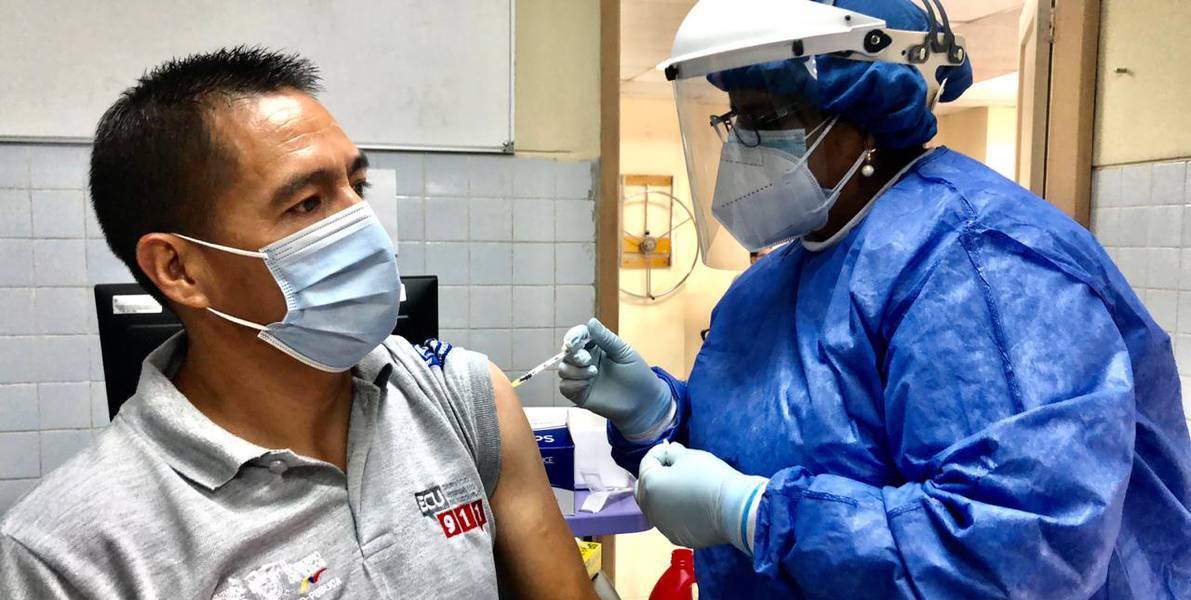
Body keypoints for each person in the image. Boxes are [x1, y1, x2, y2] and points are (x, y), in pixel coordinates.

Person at [559, 0, 1191, 597]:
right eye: (736, 121)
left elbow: (1021, 553)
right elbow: (758, 451)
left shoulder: (980, 262)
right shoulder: (777, 277)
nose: (744, 147)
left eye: (768, 120)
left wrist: (755, 515)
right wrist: (657, 419)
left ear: (866, 116)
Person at [0, 47, 595, 599]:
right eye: (307, 204)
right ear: (180, 269)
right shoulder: (68, 553)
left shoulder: (461, 399)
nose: (365, 227)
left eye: (357, 187)